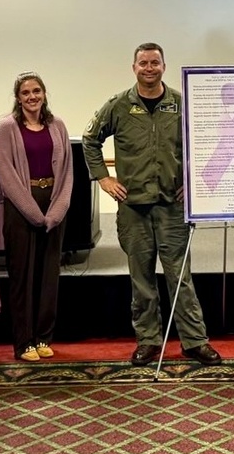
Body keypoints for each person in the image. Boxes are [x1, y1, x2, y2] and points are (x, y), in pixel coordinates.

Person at [83, 42, 222, 367]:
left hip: (172, 209)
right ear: (134, 67)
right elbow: (90, 140)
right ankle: (148, 341)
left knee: (180, 277)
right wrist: (103, 178)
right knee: (141, 279)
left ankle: (194, 341)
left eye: (154, 63)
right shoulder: (118, 105)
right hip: (134, 209)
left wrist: (194, 183)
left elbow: (203, 142)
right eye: (143, 63)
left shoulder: (180, 103)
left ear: (163, 66)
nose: (149, 68)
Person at [0, 73, 73, 362]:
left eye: (36, 91)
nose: (32, 97)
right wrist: (33, 212)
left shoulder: (58, 125)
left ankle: (43, 337)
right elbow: (6, 173)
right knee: (22, 277)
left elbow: (67, 173)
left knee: (48, 276)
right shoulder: (6, 127)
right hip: (21, 208)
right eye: (25, 92)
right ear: (18, 97)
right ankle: (23, 341)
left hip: (52, 207)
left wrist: (56, 212)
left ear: (44, 93)